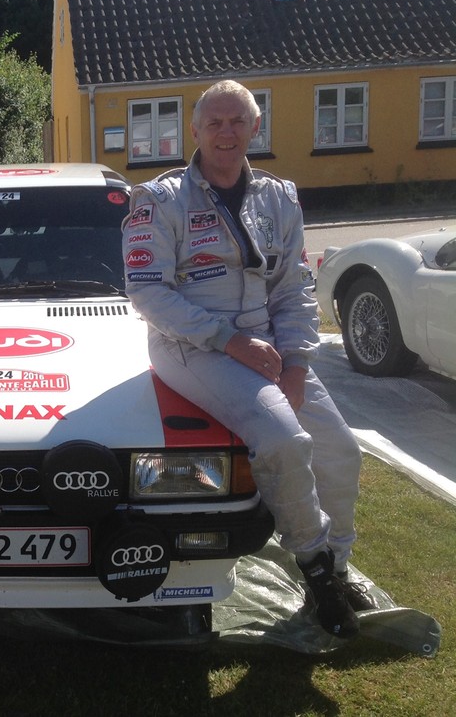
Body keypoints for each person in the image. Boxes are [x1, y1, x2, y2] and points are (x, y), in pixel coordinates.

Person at [121, 80, 374, 639]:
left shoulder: (279, 198)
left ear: (255, 128)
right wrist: (229, 340)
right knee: (285, 440)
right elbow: (148, 293)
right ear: (194, 131)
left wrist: (298, 364)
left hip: (267, 347)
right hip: (187, 346)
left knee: (341, 453)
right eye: (214, 122)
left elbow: (293, 290)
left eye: (237, 121)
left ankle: (339, 561)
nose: (226, 132)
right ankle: (316, 572)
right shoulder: (159, 200)